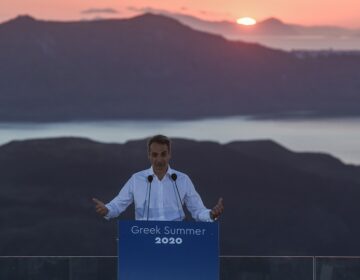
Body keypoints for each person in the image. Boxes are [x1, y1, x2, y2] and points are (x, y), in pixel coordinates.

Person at [93, 135, 224, 221]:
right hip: (144, 240)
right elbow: (117, 205)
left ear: (169, 154)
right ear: (149, 155)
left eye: (163, 154)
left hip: (177, 240)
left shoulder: (182, 180)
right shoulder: (136, 179)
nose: (159, 159)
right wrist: (107, 210)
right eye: (155, 155)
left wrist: (211, 215)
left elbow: (197, 210)